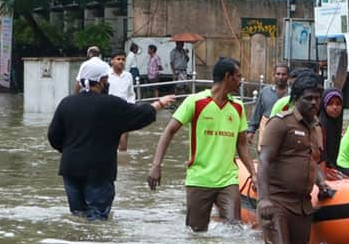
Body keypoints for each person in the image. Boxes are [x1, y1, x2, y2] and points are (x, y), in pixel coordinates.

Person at [48, 58, 175, 220]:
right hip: (99, 171)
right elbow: (138, 115)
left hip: (70, 169)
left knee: (77, 216)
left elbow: (53, 136)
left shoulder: (67, 103)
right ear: (101, 81)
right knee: (97, 220)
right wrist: (159, 104)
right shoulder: (111, 104)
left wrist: (70, 151)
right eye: (106, 79)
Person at [147, 57, 256, 232]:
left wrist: (253, 174)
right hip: (199, 179)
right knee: (196, 233)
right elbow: (169, 131)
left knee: (234, 230)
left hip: (228, 180)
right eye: (239, 76)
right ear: (228, 77)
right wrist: (156, 165)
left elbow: (242, 145)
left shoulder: (238, 107)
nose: (241, 81)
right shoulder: (195, 102)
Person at [256, 72, 336, 244]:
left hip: (303, 206)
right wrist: (264, 199)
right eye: (308, 98)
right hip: (278, 203)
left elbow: (310, 160)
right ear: (296, 98)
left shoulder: (316, 127)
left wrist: (322, 184)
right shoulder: (280, 123)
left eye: (317, 98)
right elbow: (264, 161)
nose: (314, 102)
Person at [248, 63, 289, 144]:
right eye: (278, 74)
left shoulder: (292, 94)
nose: (280, 77)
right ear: (274, 75)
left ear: (288, 76)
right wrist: (251, 131)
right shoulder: (265, 91)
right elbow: (257, 112)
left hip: (286, 131)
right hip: (266, 129)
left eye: (284, 74)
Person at [108, 52, 137, 151]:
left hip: (124, 111)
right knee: (109, 141)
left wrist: (131, 107)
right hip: (109, 111)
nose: (121, 61)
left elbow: (131, 94)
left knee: (123, 143)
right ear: (112, 61)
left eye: (123, 59)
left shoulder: (128, 75)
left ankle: (123, 163)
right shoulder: (106, 75)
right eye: (118, 59)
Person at [318, 88, 344, 168]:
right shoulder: (320, 126)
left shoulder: (336, 123)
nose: (335, 107)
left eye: (338, 104)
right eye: (330, 103)